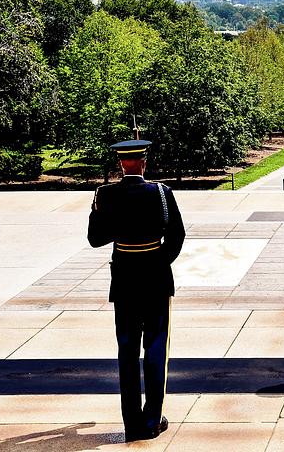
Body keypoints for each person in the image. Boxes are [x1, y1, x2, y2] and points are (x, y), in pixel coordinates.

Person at [87, 140, 185, 442]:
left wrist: (98, 211)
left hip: (125, 279)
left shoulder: (106, 195)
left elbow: (95, 239)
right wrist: (157, 261)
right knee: (156, 349)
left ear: (121, 164)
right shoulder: (160, 193)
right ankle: (153, 419)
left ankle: (131, 422)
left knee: (127, 352)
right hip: (155, 279)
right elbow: (177, 235)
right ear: (143, 163)